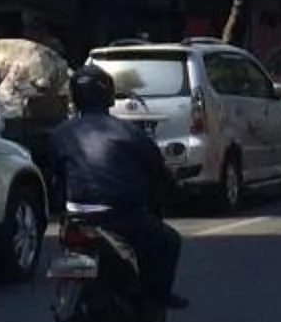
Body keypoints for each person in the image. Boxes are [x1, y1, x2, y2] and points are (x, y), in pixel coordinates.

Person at [45, 66, 186, 307]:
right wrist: (171, 195)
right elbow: (158, 174)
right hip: (120, 214)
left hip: (75, 216)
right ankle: (158, 296)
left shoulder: (60, 134)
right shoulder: (130, 133)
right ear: (108, 96)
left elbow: (54, 174)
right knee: (170, 241)